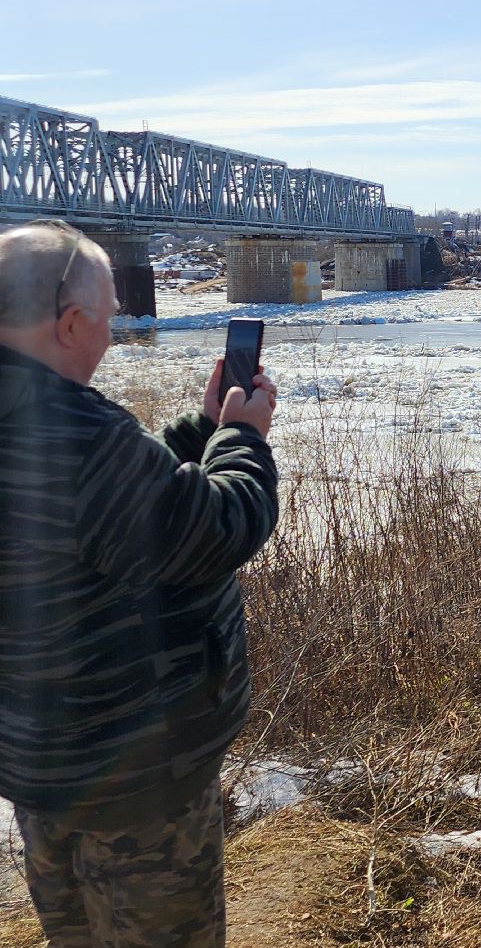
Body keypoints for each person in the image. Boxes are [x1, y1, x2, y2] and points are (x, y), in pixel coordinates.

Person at [0, 220, 280, 947]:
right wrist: (244, 439)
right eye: (107, 318)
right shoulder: (73, 434)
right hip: (132, 776)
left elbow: (109, 513)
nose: (112, 332)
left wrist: (200, 432)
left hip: (37, 759)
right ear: (68, 324)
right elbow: (215, 530)